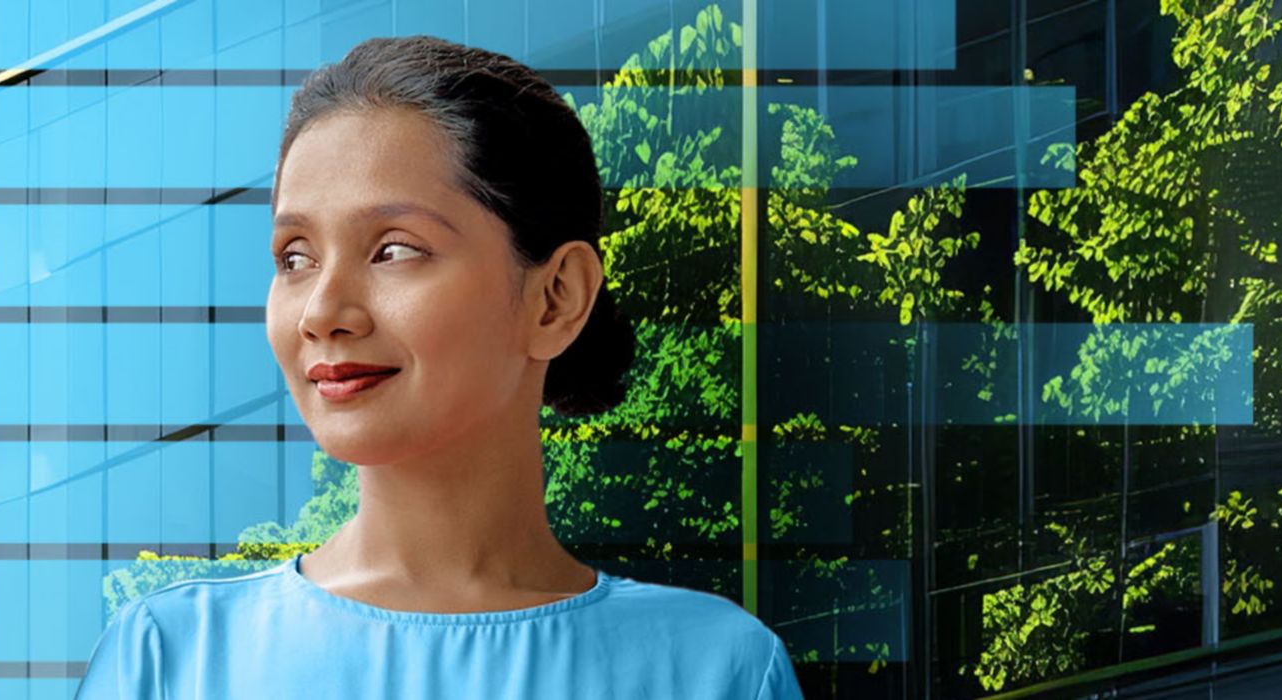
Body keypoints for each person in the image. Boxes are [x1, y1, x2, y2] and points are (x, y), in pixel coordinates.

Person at [75, 34, 802, 699]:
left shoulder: (714, 670)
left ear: (555, 298)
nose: (323, 311)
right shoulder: (172, 661)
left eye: (394, 248)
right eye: (295, 257)